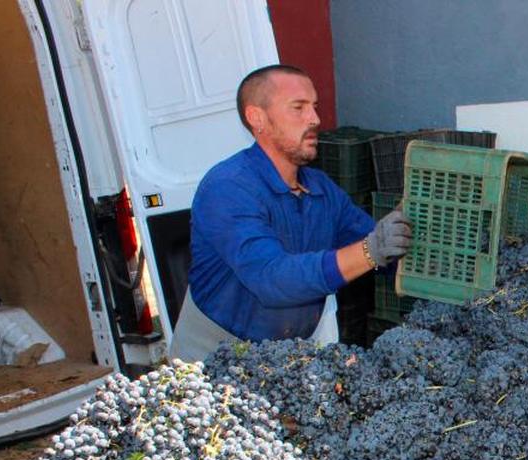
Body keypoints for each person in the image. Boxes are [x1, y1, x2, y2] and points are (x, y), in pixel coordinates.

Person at [169, 64, 410, 361]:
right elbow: (270, 279)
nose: (315, 119)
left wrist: (406, 236)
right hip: (215, 357)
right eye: (299, 108)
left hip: (291, 352)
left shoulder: (320, 188)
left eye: (315, 107)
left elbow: (374, 242)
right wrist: (371, 251)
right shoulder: (227, 188)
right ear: (257, 118)